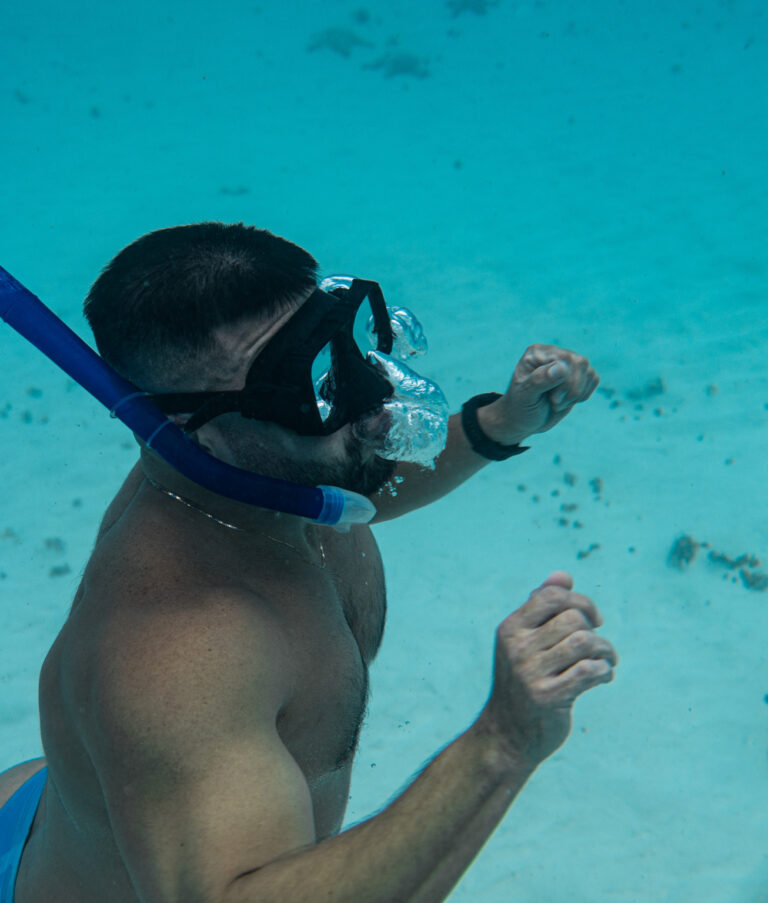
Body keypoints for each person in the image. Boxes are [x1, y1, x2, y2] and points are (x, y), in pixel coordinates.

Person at [0, 222, 618, 903]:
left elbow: (365, 491)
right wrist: (501, 743)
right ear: (196, 432)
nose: (369, 405)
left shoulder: (276, 479)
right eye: (309, 386)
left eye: (340, 348)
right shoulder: (183, 652)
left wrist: (494, 425)